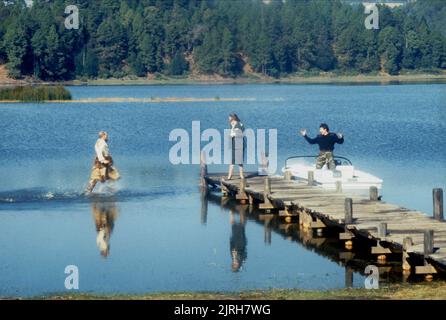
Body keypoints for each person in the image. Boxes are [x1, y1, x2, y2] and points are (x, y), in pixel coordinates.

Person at [227, 113, 245, 180]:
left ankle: (241, 176)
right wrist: (232, 128)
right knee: (232, 161)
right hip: (234, 145)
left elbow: (235, 134)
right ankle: (229, 176)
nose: (228, 119)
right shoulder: (232, 124)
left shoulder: (239, 124)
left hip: (240, 145)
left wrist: (233, 130)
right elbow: (231, 135)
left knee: (239, 161)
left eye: (229, 118)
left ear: (233, 118)